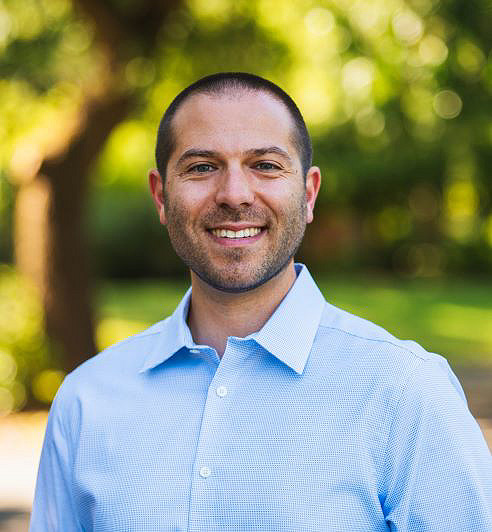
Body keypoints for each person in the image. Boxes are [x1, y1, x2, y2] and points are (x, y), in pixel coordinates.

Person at [30, 72, 492, 531]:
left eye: (266, 165)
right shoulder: (85, 401)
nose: (234, 195)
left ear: (308, 194)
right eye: (202, 167)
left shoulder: (404, 390)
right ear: (161, 196)